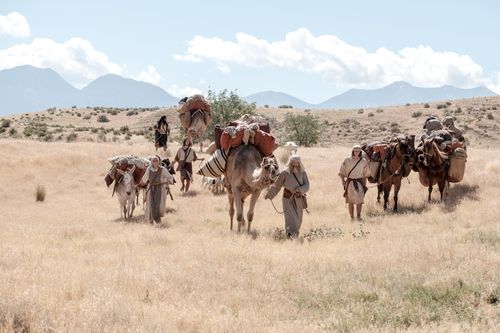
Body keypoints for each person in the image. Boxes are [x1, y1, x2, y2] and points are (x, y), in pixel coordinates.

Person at [265, 155, 310, 238]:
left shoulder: (303, 173)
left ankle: (295, 235)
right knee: (290, 218)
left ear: (300, 163)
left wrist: (300, 189)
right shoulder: (284, 173)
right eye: (293, 163)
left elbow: (307, 185)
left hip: (299, 199)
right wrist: (269, 195)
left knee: (298, 219)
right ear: (290, 163)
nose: (295, 165)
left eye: (297, 163)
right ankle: (290, 236)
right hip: (287, 199)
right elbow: (277, 185)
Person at [338, 144, 370, 221]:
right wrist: (343, 181)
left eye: (358, 151)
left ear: (360, 152)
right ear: (353, 151)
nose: (357, 152)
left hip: (359, 182)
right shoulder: (347, 160)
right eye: (355, 151)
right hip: (350, 183)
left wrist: (364, 185)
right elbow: (341, 172)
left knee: (359, 201)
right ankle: (352, 217)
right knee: (350, 202)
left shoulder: (363, 161)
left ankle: (358, 216)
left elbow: (365, 174)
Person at [141, 156, 174, 224]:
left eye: (157, 161)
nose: (155, 162)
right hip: (151, 188)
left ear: (159, 162)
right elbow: (145, 178)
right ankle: (151, 220)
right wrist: (140, 183)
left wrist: (168, 181)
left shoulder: (163, 169)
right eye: (154, 161)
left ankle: (158, 220)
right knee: (150, 204)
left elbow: (169, 177)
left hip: (161, 189)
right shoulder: (149, 169)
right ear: (152, 162)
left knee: (159, 205)